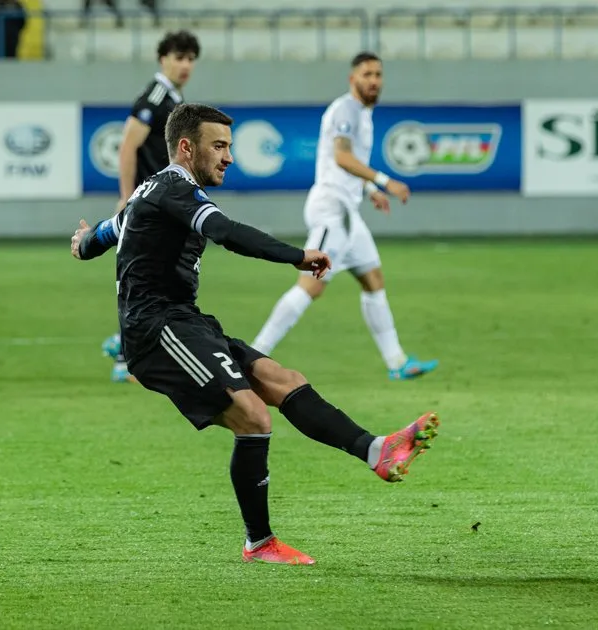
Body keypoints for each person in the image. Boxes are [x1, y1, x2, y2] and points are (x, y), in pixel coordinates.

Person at [70, 103, 441, 566]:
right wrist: (297, 256)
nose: (228, 157)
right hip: (155, 330)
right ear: (186, 148)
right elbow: (225, 231)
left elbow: (105, 233)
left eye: (229, 146)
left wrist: (83, 243)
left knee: (283, 379)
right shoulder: (173, 189)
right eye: (219, 146)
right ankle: (259, 543)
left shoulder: (154, 193)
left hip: (185, 320)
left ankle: (376, 451)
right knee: (253, 416)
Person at [250, 52, 439, 381]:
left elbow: (347, 164)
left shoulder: (363, 115)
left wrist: (369, 191)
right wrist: (384, 181)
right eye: (367, 74)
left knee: (373, 280)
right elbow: (340, 157)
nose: (374, 80)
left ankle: (397, 362)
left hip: (349, 212)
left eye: (378, 74)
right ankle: (254, 355)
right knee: (311, 285)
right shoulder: (346, 109)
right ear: (353, 79)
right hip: (332, 210)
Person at [79, 30, 200, 383]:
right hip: (148, 204)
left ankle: (123, 346)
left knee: (153, 276)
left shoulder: (173, 97)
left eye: (191, 58)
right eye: (179, 57)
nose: (185, 65)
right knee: (144, 277)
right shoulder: (156, 96)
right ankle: (124, 354)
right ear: (163, 59)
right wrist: (126, 195)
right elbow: (128, 145)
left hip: (162, 204)